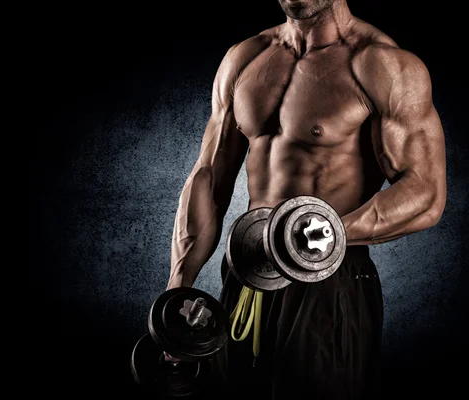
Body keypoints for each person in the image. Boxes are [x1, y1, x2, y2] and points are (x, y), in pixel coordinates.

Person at [165, 0, 447, 398]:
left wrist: (313, 240)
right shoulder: (246, 56)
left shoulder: (381, 64)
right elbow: (209, 176)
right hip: (244, 273)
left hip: (327, 281)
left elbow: (426, 193)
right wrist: (179, 285)